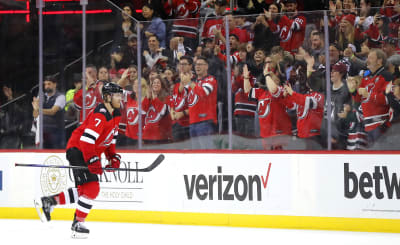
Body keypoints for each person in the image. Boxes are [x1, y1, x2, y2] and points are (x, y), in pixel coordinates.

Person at [34, 82, 123, 239]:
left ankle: (49, 201)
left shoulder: (116, 114)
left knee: (84, 190)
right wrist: (93, 160)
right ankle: (77, 224)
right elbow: (86, 141)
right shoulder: (100, 114)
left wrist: (112, 157)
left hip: (86, 152)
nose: (120, 98)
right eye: (117, 95)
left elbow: (111, 139)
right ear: (108, 97)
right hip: (78, 149)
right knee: (92, 189)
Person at [187, 56, 218, 149]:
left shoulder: (210, 79)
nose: (197, 67)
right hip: (192, 121)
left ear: (207, 67)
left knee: (206, 153)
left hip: (205, 121)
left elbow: (203, 92)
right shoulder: (194, 82)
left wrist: (189, 82)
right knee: (196, 155)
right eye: (196, 65)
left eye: (200, 64)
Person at [32, 75, 66, 149]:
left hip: (56, 133)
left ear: (55, 84)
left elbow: (52, 111)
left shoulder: (61, 97)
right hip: (43, 132)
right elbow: (35, 115)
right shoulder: (41, 96)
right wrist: (35, 108)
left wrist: (38, 109)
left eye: (49, 84)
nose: (46, 86)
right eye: (45, 84)